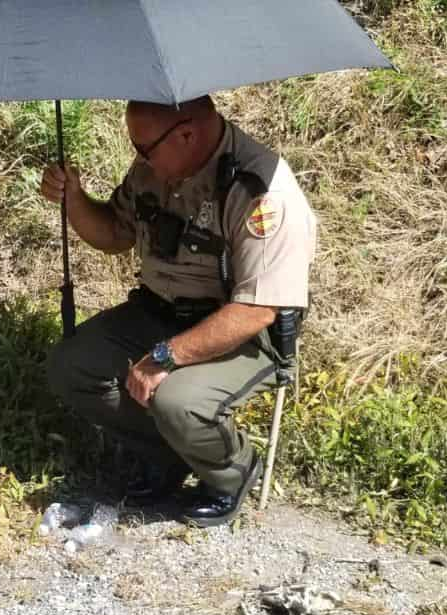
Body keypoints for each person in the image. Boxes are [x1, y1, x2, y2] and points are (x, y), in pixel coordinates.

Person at [41, 95, 317, 527]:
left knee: (177, 401)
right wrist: (73, 199)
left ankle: (232, 473)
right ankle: (168, 454)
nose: (138, 158)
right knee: (71, 367)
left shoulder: (260, 190)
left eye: (143, 148)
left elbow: (258, 309)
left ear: (186, 134)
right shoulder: (157, 169)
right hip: (158, 312)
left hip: (239, 331)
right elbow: (115, 233)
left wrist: (165, 357)